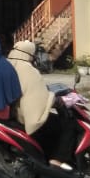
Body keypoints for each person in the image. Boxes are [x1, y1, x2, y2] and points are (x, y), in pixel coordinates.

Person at [7, 40, 76, 171]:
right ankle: (57, 159)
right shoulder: (28, 71)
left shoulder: (9, 65)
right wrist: (53, 100)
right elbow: (39, 97)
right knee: (67, 124)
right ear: (28, 54)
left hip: (14, 113)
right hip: (26, 117)